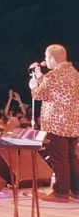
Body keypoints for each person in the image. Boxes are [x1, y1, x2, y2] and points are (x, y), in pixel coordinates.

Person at [29, 44, 79, 203]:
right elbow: (53, 89)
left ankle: (60, 192)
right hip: (72, 125)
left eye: (46, 57)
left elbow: (39, 94)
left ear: (51, 58)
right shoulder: (74, 74)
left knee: (59, 159)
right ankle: (76, 190)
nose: (44, 60)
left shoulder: (53, 77)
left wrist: (34, 84)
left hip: (56, 125)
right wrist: (41, 75)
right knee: (71, 157)